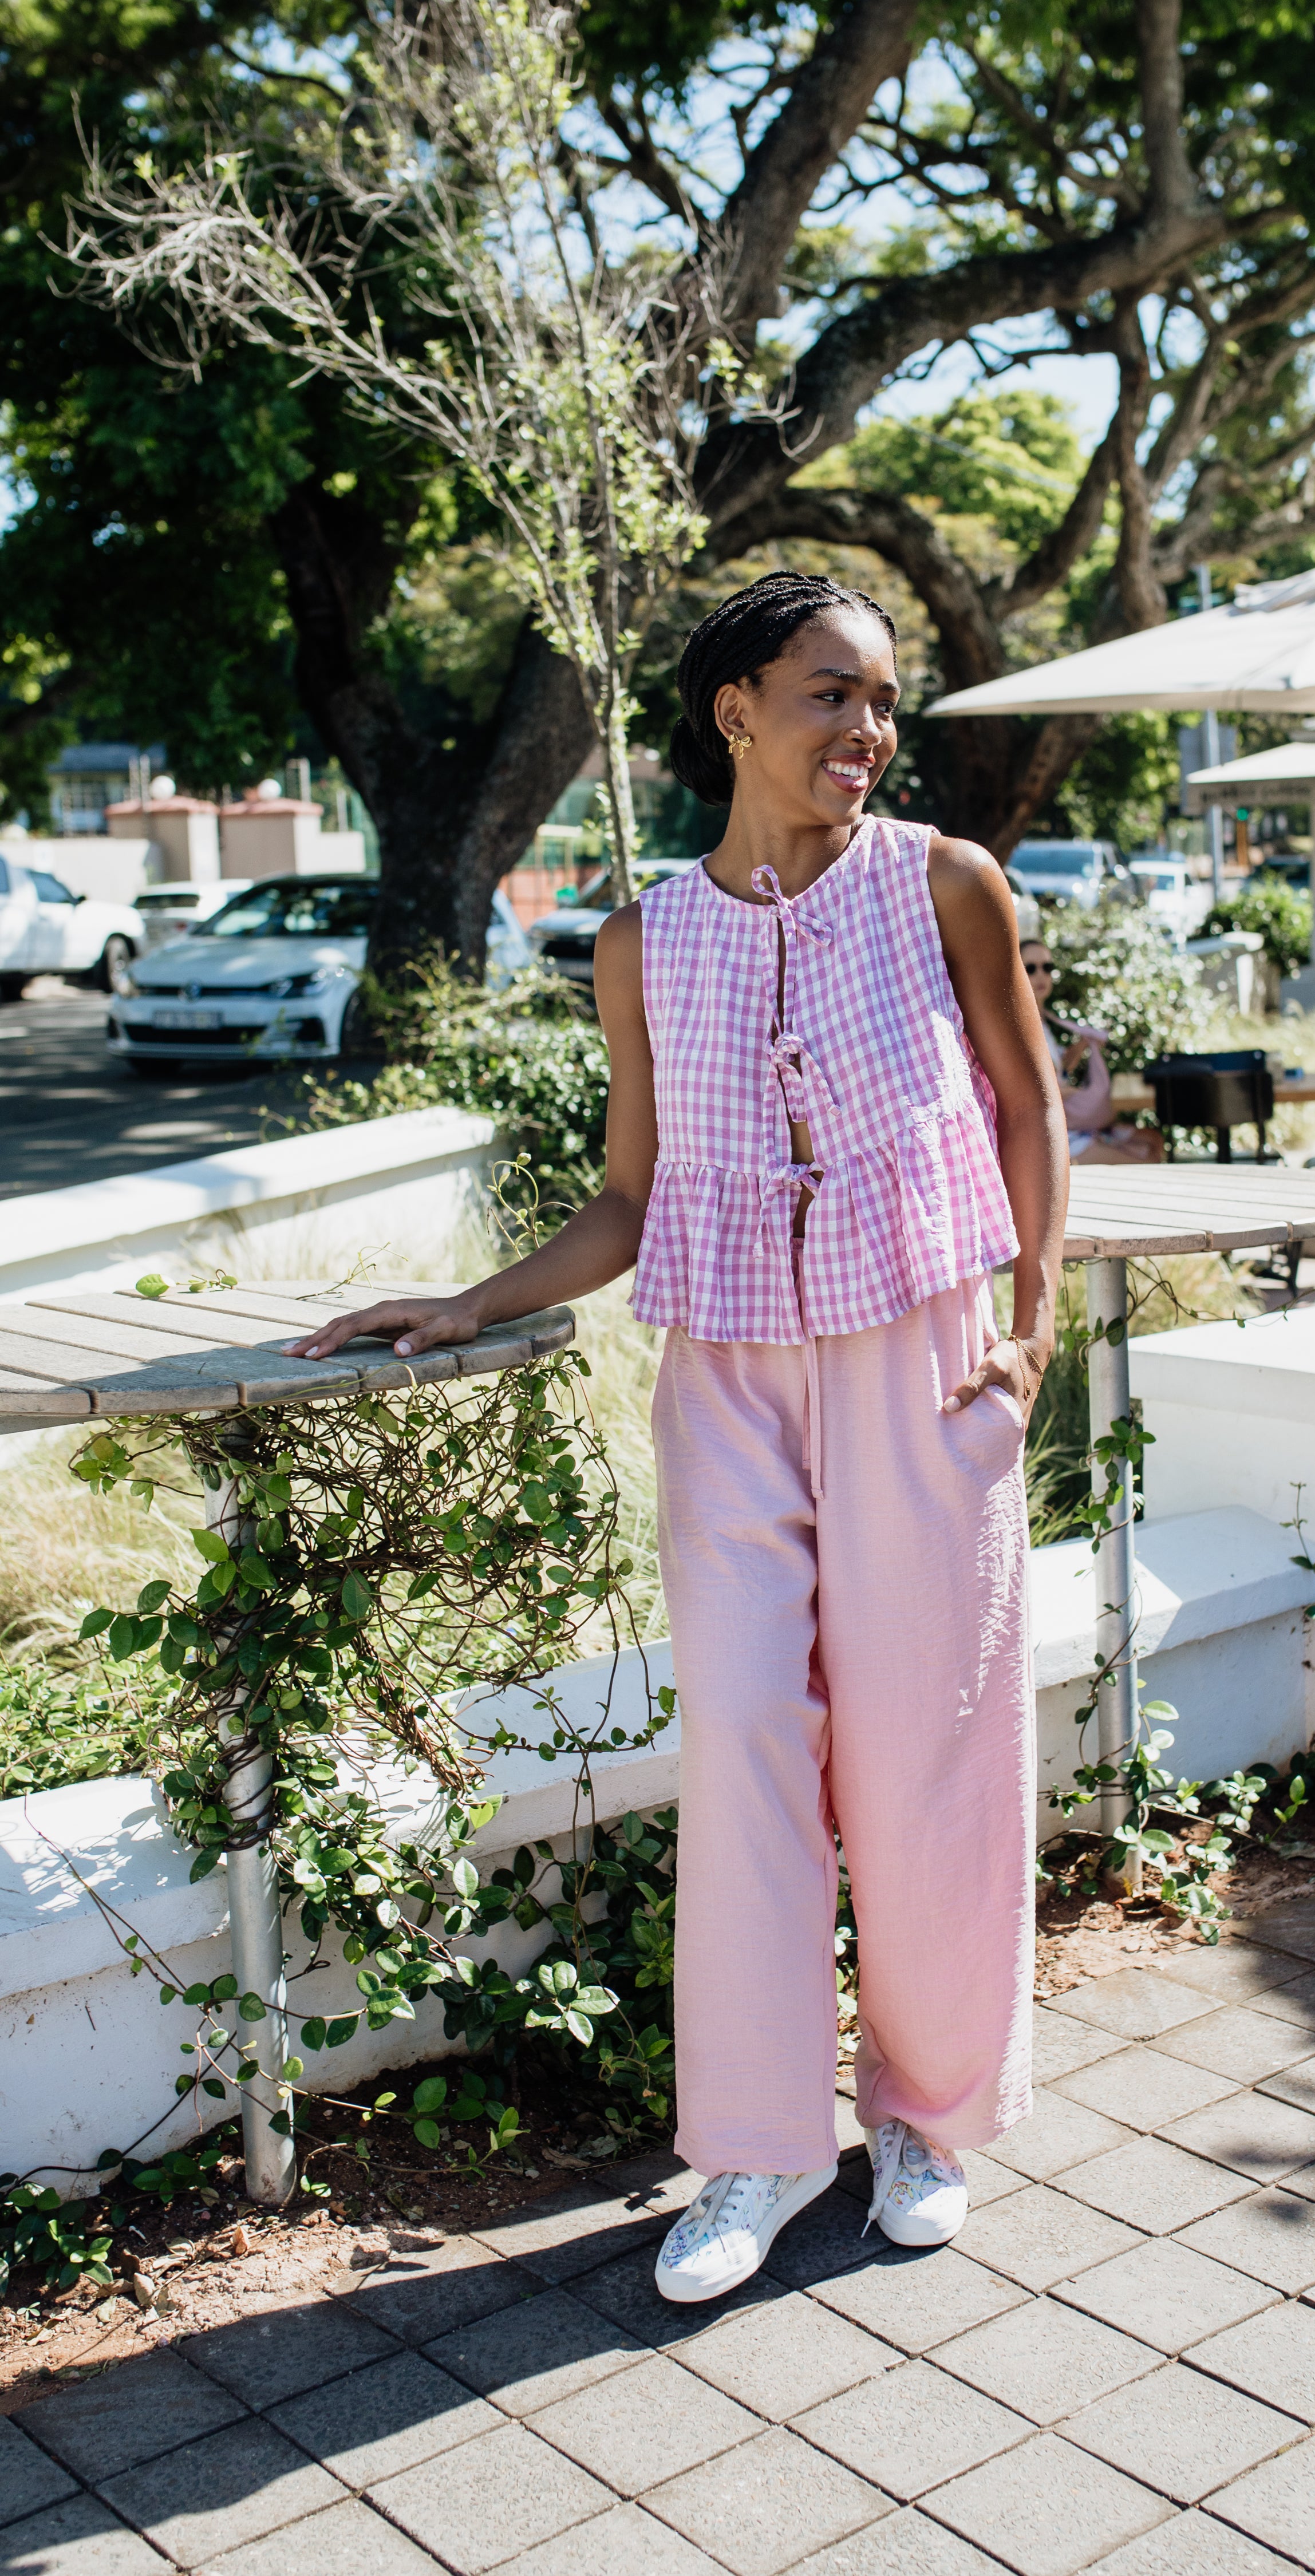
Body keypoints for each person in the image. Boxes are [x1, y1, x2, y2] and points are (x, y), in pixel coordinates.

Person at [285, 572, 1067, 2303]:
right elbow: (631, 1199)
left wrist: (1031, 1334)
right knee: (743, 1745)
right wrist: (468, 1302)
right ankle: (764, 2142)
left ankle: (927, 2119)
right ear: (734, 709)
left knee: (928, 1747)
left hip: (922, 1359)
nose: (866, 730)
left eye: (881, 701)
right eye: (828, 695)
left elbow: (1026, 1108)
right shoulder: (642, 939)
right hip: (723, 1378)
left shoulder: (949, 886)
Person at [1021, 938, 1162, 1165]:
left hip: (1074, 1122)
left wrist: (1080, 1048)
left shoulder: (1043, 1021)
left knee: (1153, 1140)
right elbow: (1030, 1089)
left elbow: (1059, 1072)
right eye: (1030, 968)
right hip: (1057, 1135)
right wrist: (1074, 1092)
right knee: (1146, 1157)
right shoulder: (1019, 1024)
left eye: (1047, 968)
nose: (1041, 975)